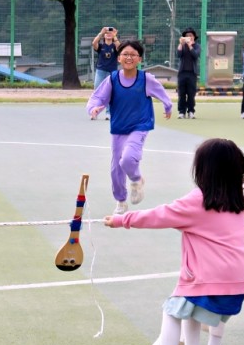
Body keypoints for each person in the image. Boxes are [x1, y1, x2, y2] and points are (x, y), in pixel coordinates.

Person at [105, 139, 244, 345]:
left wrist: (121, 220)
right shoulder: (236, 198)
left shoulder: (200, 199)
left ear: (203, 169)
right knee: (188, 308)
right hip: (239, 278)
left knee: (173, 310)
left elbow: (160, 215)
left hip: (213, 276)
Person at [85, 40, 173, 213]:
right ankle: (121, 200)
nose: (129, 58)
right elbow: (99, 97)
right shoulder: (113, 79)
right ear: (119, 58)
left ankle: (136, 179)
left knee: (127, 158)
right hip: (118, 128)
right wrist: (94, 108)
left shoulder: (145, 79)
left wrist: (167, 106)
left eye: (133, 55)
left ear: (139, 59)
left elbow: (161, 93)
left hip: (140, 126)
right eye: (125, 54)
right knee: (116, 168)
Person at [91, 26, 119, 109]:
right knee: (97, 90)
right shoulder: (101, 46)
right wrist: (101, 33)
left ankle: (108, 112)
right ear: (104, 36)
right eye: (106, 33)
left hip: (112, 71)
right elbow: (94, 43)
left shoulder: (114, 46)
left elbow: (120, 48)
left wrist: (115, 35)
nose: (108, 34)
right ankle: (94, 110)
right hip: (101, 70)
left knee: (110, 91)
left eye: (110, 33)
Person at [175, 29, 199, 119]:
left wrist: (190, 45)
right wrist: (181, 44)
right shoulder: (182, 46)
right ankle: (181, 112)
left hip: (192, 73)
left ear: (194, 37)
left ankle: (191, 111)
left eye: (191, 35)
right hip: (182, 73)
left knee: (191, 93)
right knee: (181, 93)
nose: (189, 37)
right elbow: (178, 54)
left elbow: (195, 55)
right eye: (187, 35)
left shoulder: (197, 46)